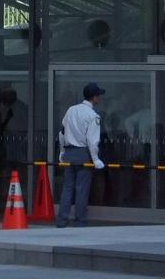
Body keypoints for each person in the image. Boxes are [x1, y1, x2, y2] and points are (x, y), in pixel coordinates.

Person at [56, 82, 105, 228]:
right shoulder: (93, 116)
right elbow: (92, 141)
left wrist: (62, 152)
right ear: (94, 97)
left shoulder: (71, 110)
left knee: (67, 188)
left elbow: (62, 133)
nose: (100, 98)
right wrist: (96, 159)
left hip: (69, 152)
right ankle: (80, 221)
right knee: (81, 189)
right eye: (99, 95)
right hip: (84, 153)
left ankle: (62, 220)